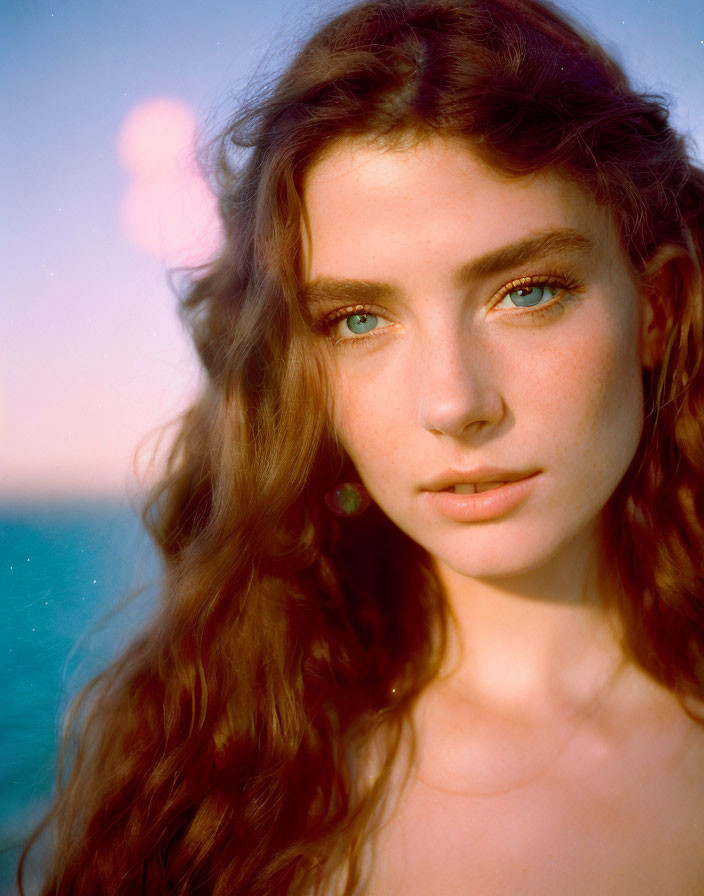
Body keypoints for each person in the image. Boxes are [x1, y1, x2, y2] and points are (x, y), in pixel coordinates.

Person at [20, 0, 704, 893]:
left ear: (654, 309)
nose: (454, 403)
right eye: (358, 319)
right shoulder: (220, 781)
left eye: (527, 291)